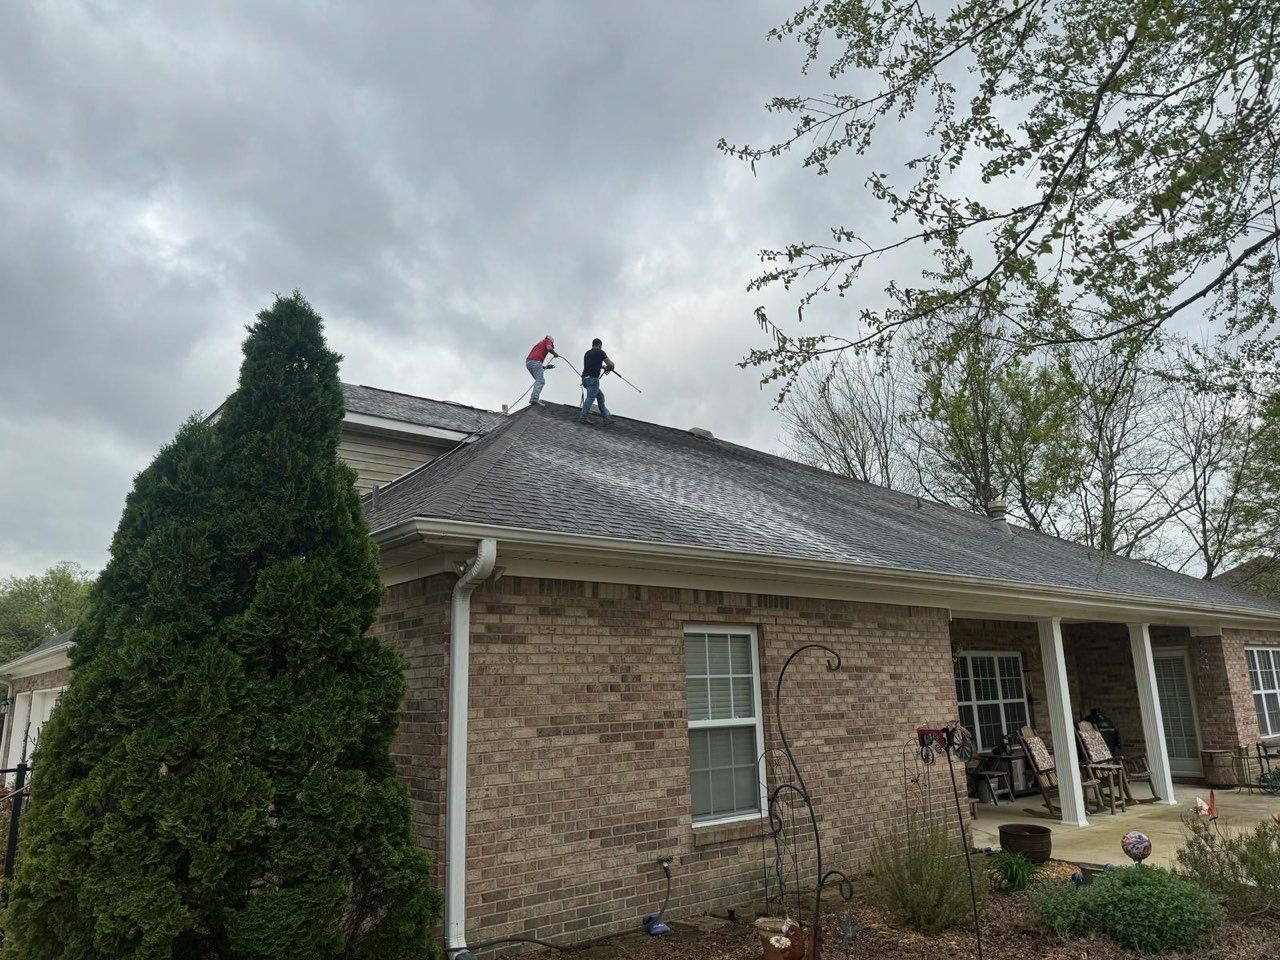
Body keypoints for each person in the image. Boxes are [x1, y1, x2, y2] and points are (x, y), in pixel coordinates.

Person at [579, 338, 615, 425]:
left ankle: (606, 418)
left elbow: (593, 364)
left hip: (585, 379)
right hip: (593, 380)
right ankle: (583, 417)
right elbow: (610, 364)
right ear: (600, 345)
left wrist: (602, 367)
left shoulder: (587, 353)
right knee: (590, 398)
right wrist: (610, 367)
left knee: (600, 396)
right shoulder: (600, 352)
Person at [525, 335, 557, 406]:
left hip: (529, 362)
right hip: (536, 362)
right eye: (552, 345)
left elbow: (534, 362)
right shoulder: (547, 341)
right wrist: (554, 354)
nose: (551, 346)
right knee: (540, 381)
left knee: (538, 380)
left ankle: (534, 398)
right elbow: (549, 348)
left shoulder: (540, 343)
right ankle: (534, 399)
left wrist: (544, 367)